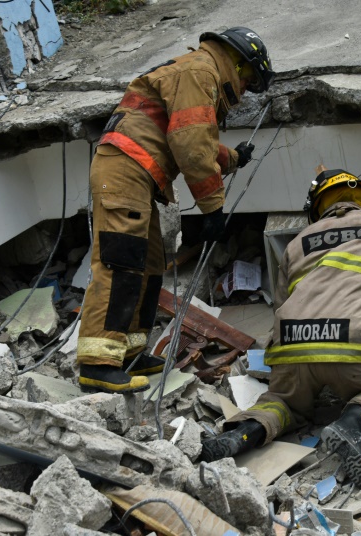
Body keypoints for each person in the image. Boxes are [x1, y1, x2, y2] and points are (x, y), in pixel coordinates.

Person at [201, 167, 361, 490]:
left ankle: (242, 433)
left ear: (318, 206)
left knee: (282, 402)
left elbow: (280, 306)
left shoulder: (296, 244)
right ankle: (352, 426)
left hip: (294, 347)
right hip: (356, 344)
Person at [77, 27, 275, 394]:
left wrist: (233, 158)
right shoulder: (201, 72)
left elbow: (190, 135)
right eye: (248, 80)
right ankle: (97, 364)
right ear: (237, 62)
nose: (245, 90)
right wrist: (213, 209)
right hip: (125, 169)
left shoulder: (200, 72)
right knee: (120, 263)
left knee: (149, 264)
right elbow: (189, 145)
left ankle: (131, 352)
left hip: (137, 173)